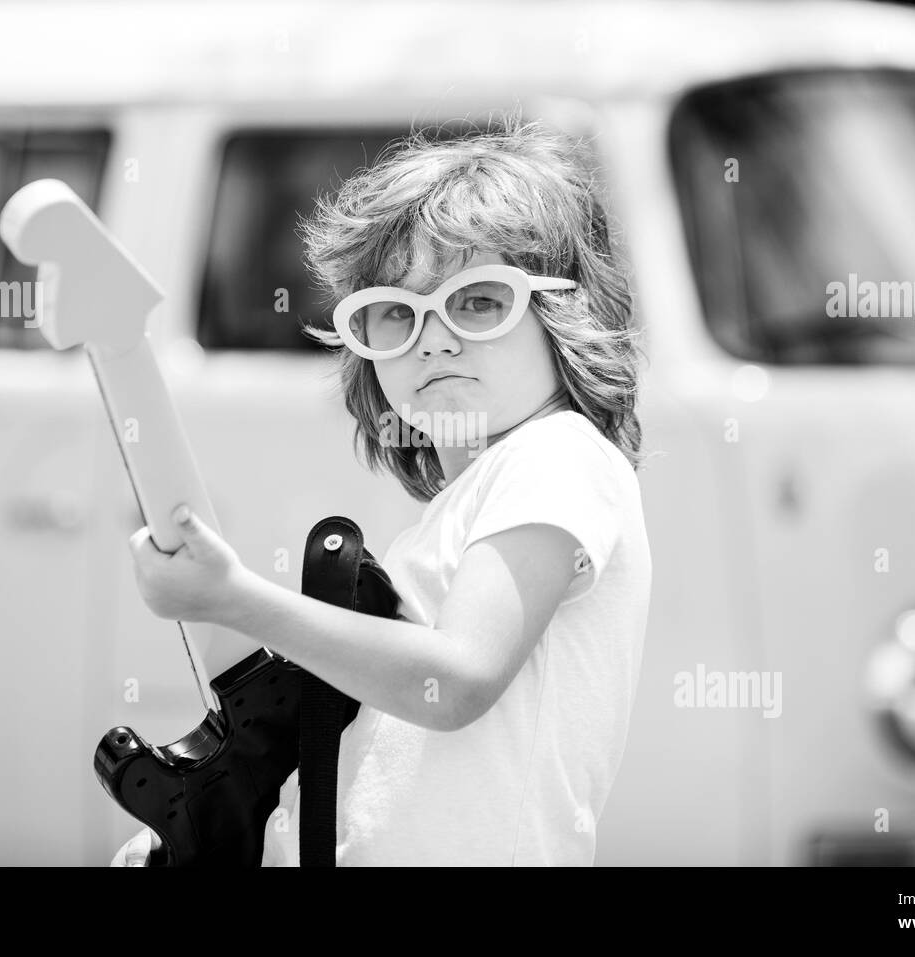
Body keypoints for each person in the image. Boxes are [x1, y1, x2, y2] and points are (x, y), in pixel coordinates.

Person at [119, 112, 651, 866]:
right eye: (394, 315)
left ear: (565, 310)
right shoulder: (448, 522)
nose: (432, 337)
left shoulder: (557, 456)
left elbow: (458, 678)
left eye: (477, 300)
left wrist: (233, 597)